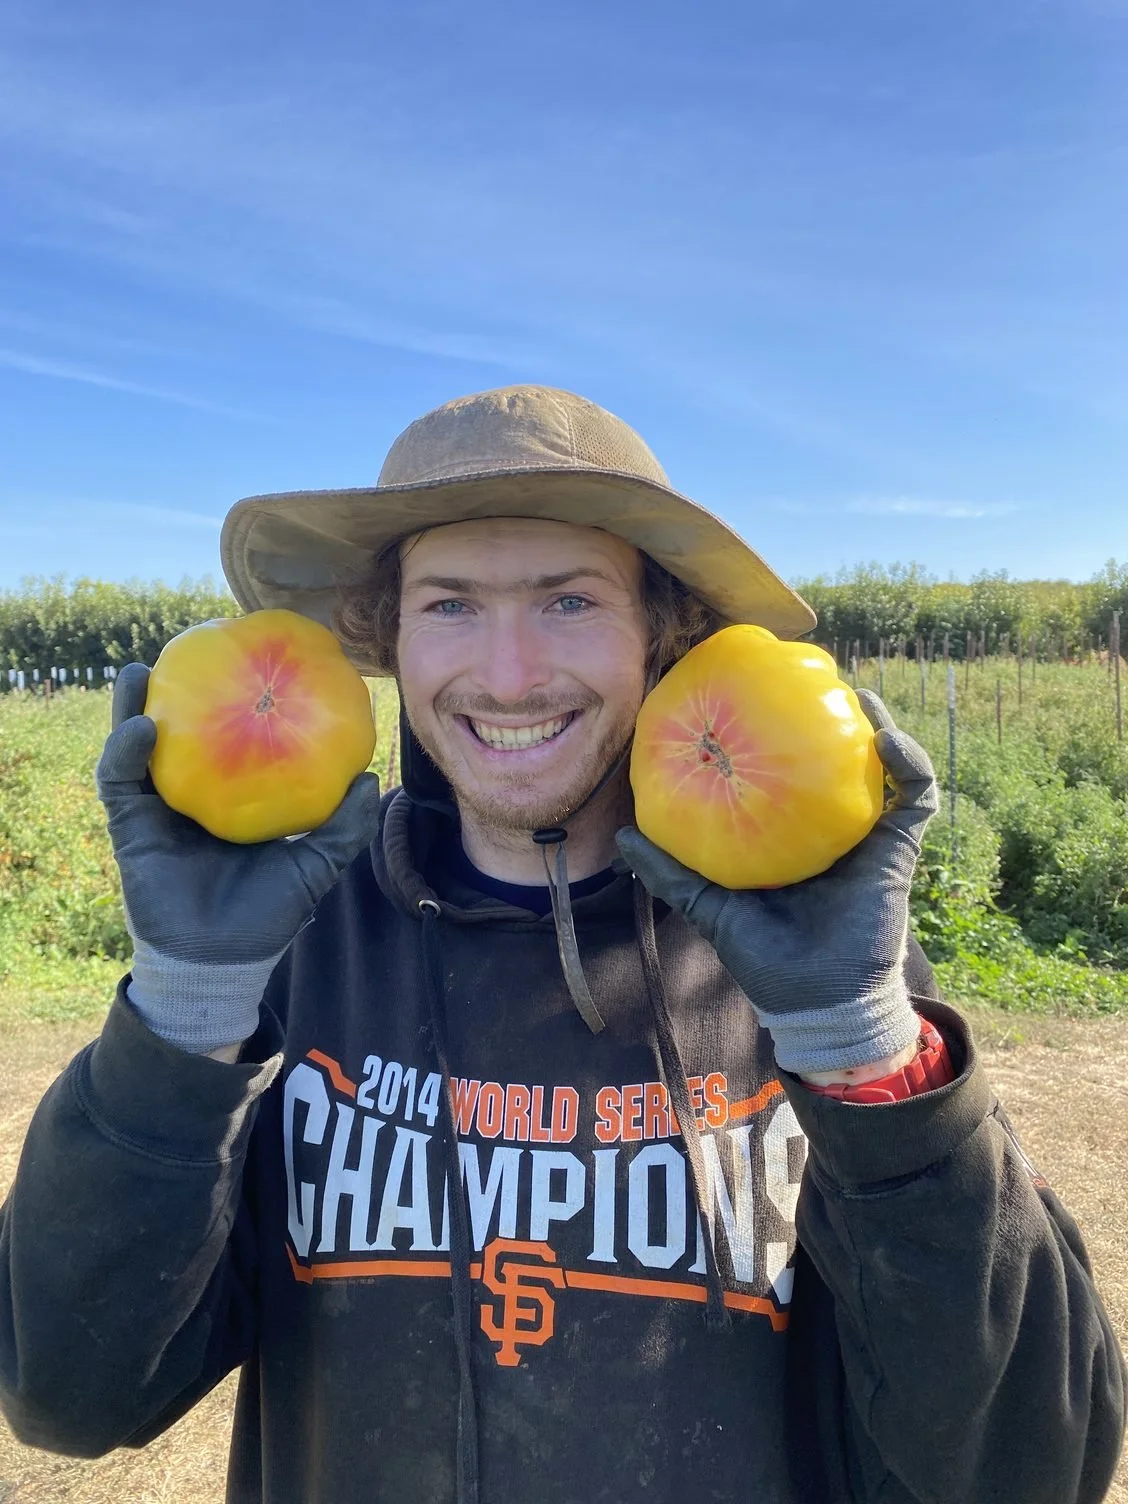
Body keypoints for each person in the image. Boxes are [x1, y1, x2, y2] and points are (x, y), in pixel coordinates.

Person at [0, 385, 1124, 1504]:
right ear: (388, 638)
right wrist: (184, 1010)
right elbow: (68, 1393)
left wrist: (861, 1046)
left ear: (661, 635)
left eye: (571, 599)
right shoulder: (300, 949)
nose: (507, 675)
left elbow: (1033, 1470)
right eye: (449, 604)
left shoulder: (803, 959)